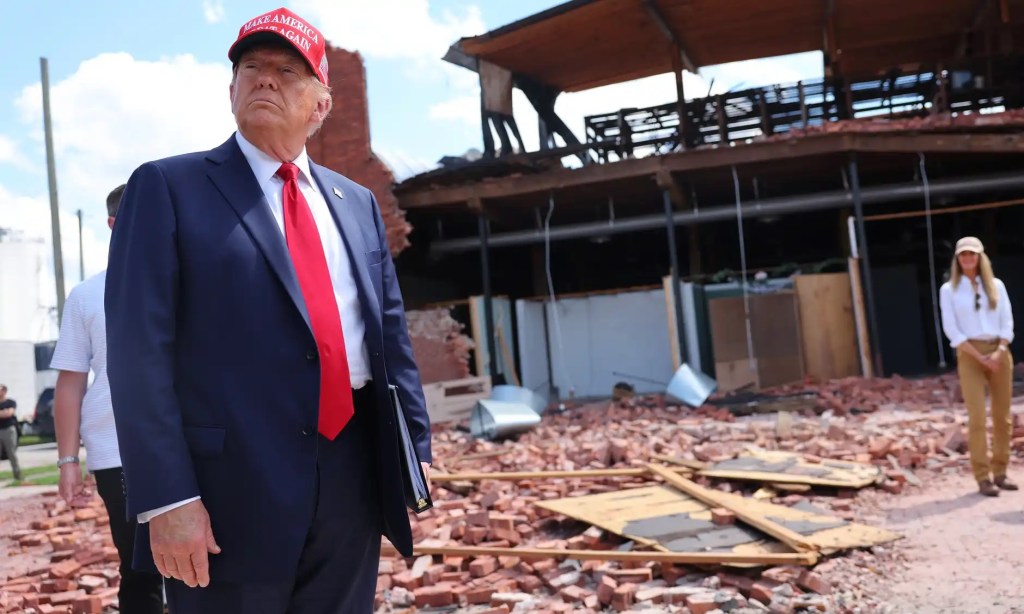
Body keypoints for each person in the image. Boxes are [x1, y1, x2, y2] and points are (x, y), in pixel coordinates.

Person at [105, 7, 432, 613]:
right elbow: (136, 357)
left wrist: (413, 453)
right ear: (231, 89)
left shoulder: (355, 203)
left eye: (287, 70)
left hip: (352, 474)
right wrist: (167, 499)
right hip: (226, 488)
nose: (264, 79)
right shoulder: (168, 189)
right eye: (251, 67)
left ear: (321, 104)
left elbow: (388, 337)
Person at [51, 184, 165, 613]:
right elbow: (70, 382)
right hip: (117, 451)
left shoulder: (190, 280)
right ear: (114, 225)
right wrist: (68, 461)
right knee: (141, 570)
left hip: (194, 441)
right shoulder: (86, 295)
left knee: (207, 561)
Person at [939, 236, 1015, 497]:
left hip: (999, 350)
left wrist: (999, 351)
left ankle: (1001, 471)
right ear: (957, 259)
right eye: (963, 255)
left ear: (980, 257)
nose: (968, 258)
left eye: (972, 254)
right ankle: (982, 476)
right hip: (970, 353)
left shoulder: (996, 285)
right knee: (977, 417)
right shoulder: (949, 290)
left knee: (1002, 416)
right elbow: (952, 329)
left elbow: (1007, 321)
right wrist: (979, 357)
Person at [0, 385, 21, 482]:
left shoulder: (10, 402)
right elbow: (5, 413)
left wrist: (5, 413)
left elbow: (9, 413)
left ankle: (17, 475)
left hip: (8, 430)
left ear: (4, 391)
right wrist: (3, 412)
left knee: (11, 453)